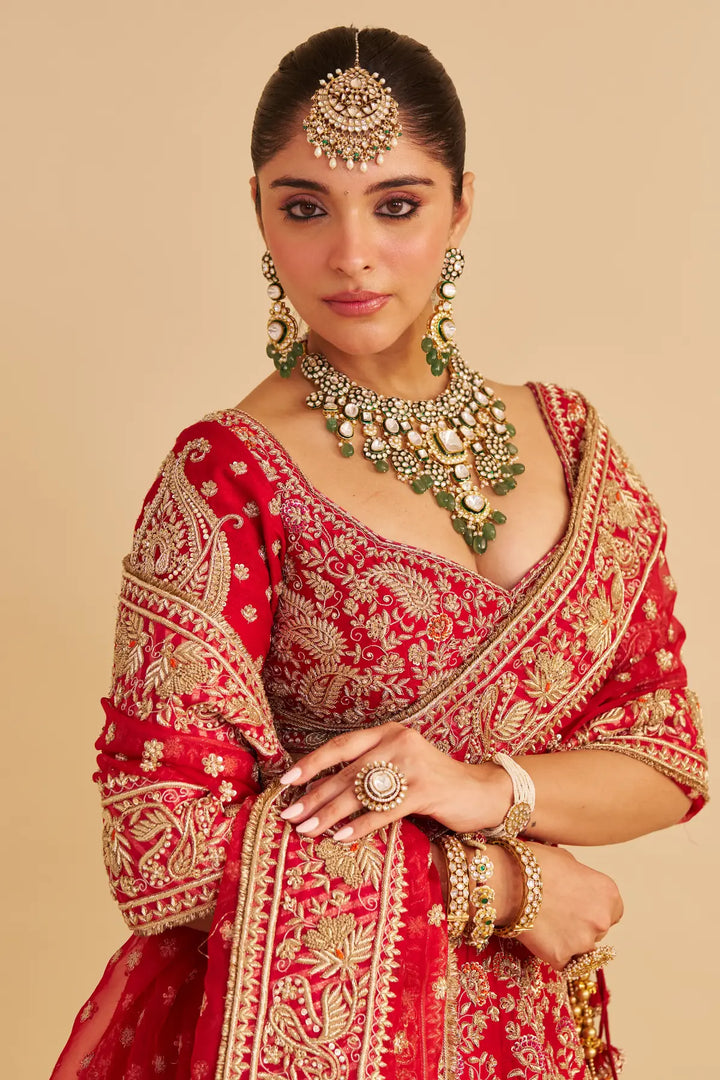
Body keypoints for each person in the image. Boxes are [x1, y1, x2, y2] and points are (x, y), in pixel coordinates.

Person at [50, 25, 707, 1080]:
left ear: (462, 203)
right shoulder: (229, 474)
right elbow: (161, 851)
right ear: (258, 213)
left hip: (531, 1032)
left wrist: (478, 789)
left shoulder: (574, 442)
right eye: (304, 207)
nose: (351, 255)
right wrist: (508, 887)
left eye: (396, 204)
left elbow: (664, 760)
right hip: (301, 1022)